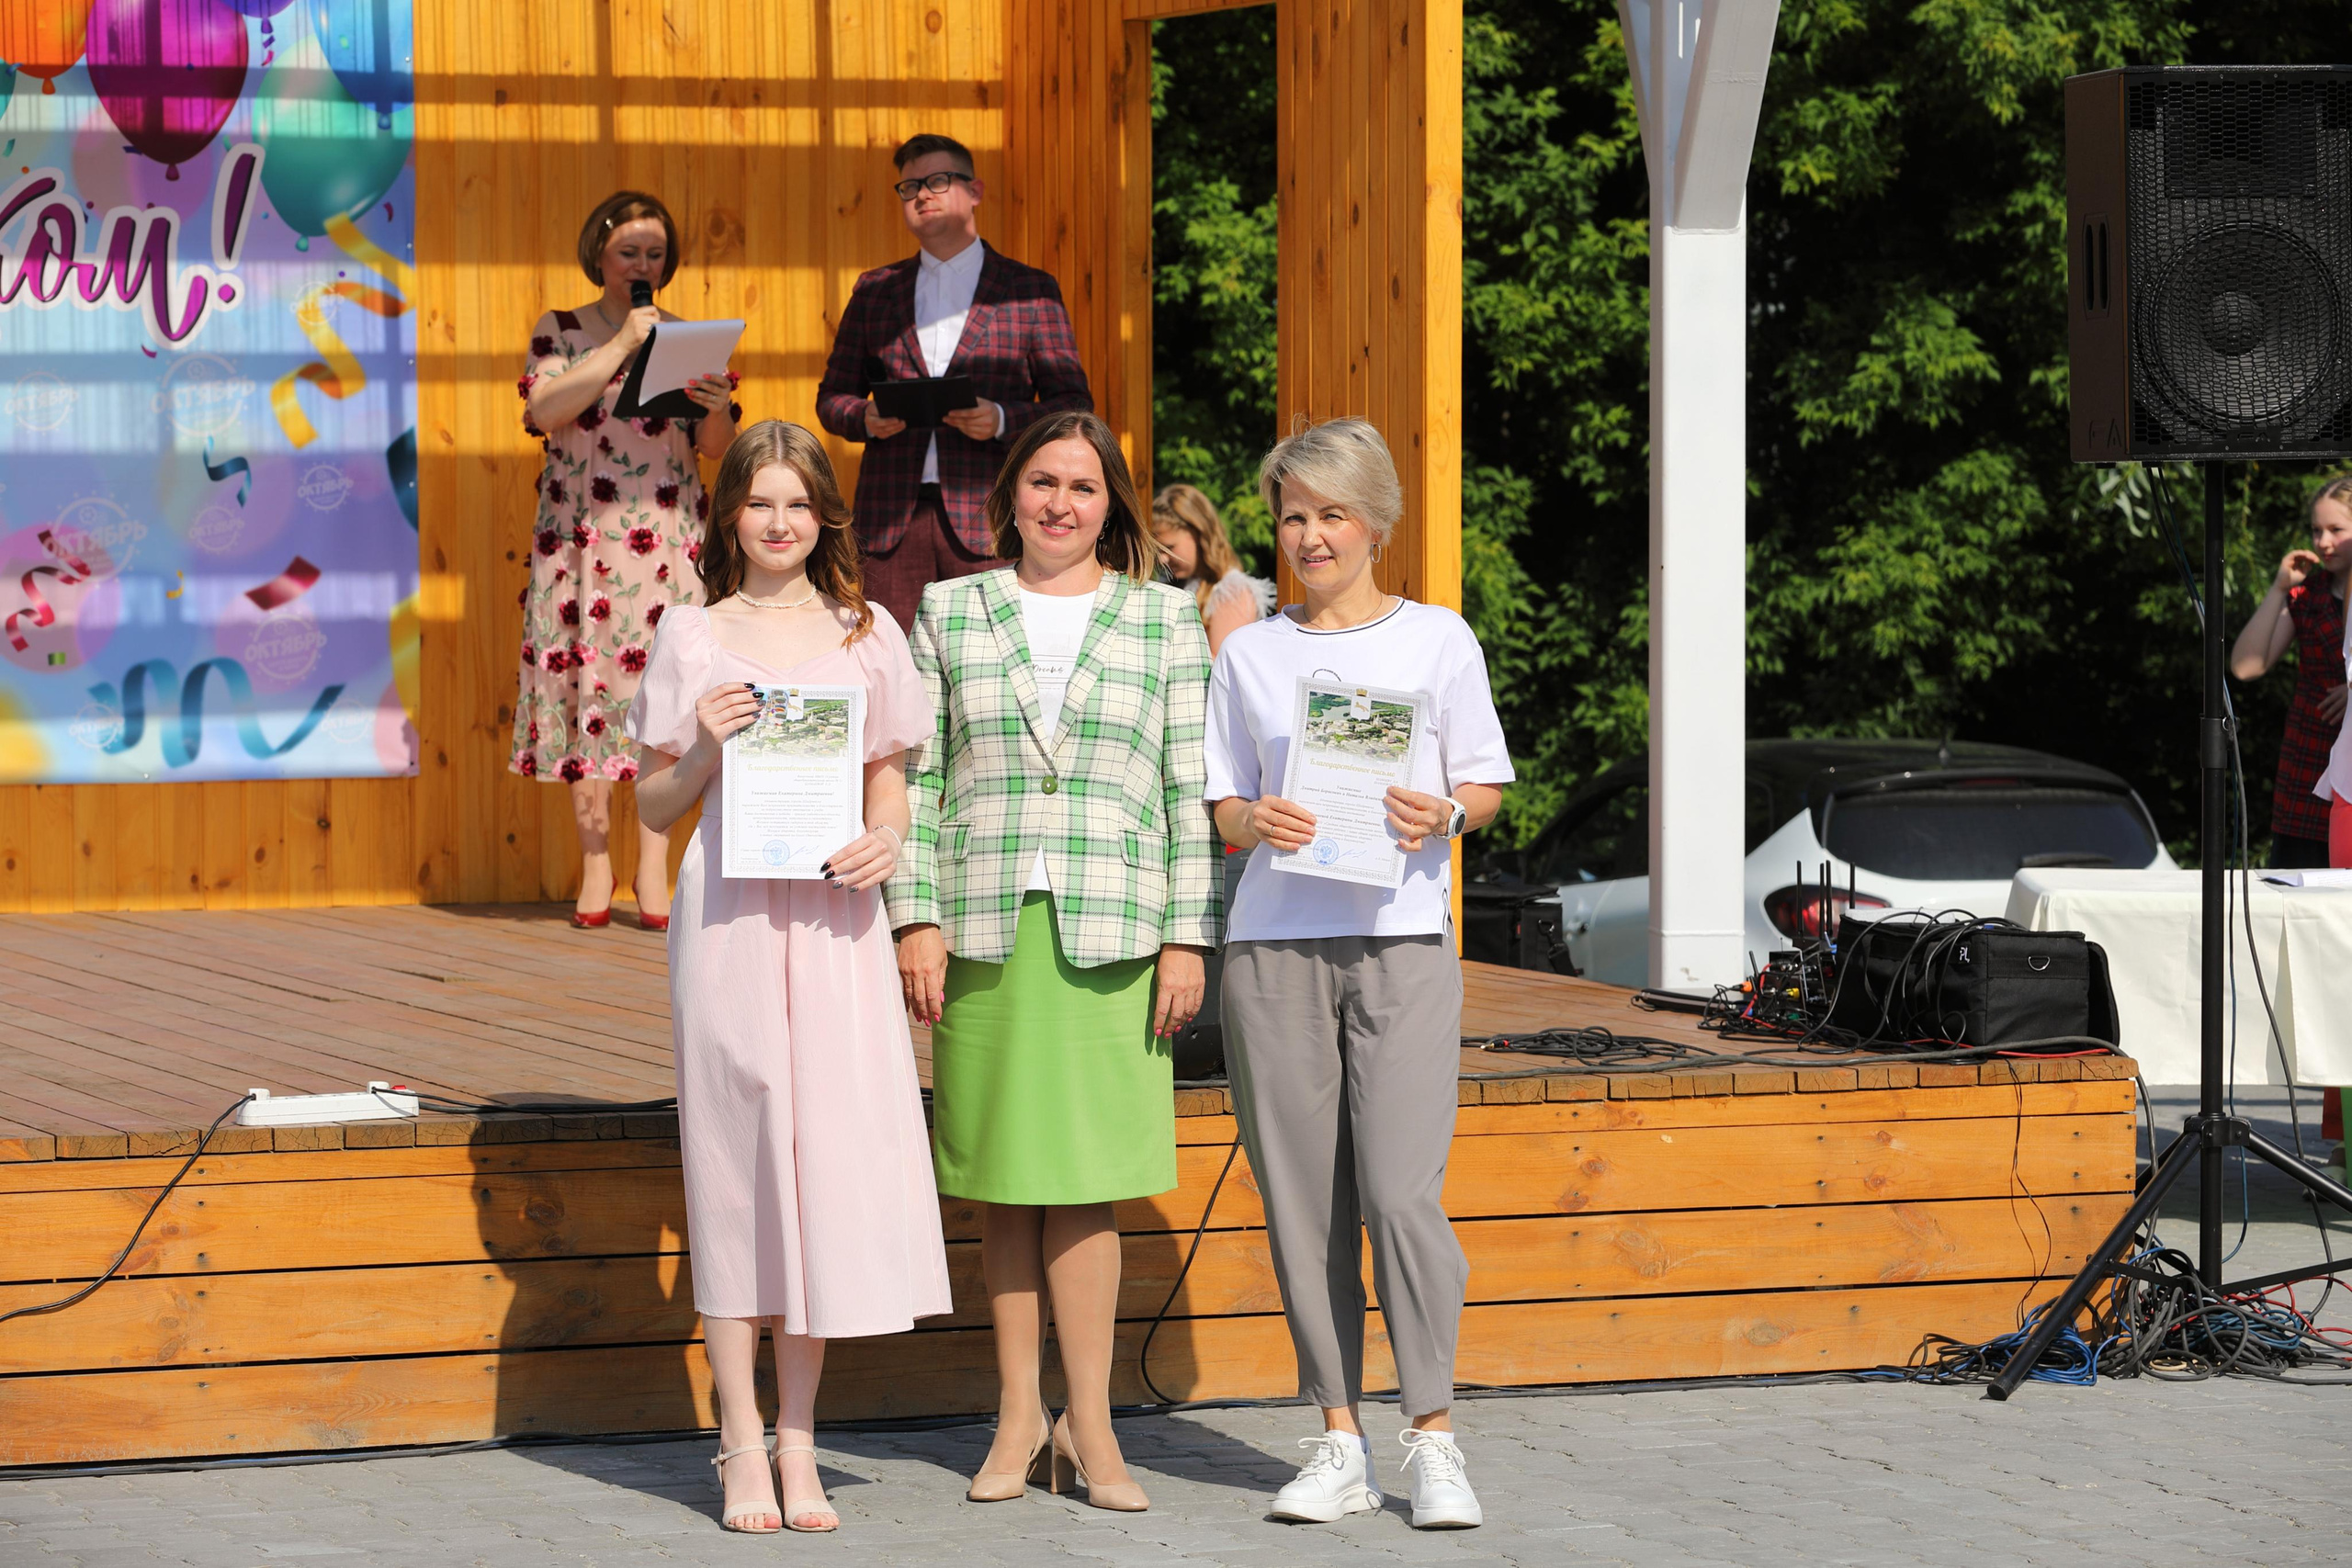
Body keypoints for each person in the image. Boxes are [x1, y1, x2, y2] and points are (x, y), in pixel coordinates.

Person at [888, 411, 1219, 1514]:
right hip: (981, 925)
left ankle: (1095, 1426)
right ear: (1009, 496)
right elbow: (918, 782)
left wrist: (1188, 936)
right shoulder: (949, 608)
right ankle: (1018, 1416)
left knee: (1085, 1186)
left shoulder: (1169, 622)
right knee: (1003, 1184)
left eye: (1082, 486)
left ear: (1111, 503)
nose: (1060, 504)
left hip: (1117, 932)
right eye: (1041, 481)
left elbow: (1185, 793)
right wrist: (912, 918)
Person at [627, 421, 951, 1534]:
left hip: (832, 922)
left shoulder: (869, 636)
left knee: (817, 1166)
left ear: (825, 517)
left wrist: (886, 841)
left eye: (797, 504)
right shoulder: (691, 634)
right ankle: (737, 1443)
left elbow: (893, 782)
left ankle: (801, 1438)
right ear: (729, 516)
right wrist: (709, 748)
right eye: (759, 503)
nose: (778, 523)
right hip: (729, 920)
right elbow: (655, 807)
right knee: (733, 1170)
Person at [1204, 418, 1513, 1532]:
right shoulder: (1247, 653)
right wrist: (1251, 817)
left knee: (1398, 1193)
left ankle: (1431, 1434)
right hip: (1275, 946)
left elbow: (1480, 786)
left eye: (1331, 512)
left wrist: (1444, 810)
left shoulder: (1437, 640)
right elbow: (1222, 802)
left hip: (1402, 939)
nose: (1309, 534)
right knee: (1302, 1207)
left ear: (1375, 519)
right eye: (1292, 514)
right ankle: (1338, 1436)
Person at [516, 189, 740, 931]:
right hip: (581, 543)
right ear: (600, 256)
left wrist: (713, 404)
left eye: (654, 254)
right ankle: (594, 861)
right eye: (628, 253)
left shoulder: (688, 336)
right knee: (587, 694)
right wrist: (619, 348)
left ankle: (653, 861)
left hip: (667, 540)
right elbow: (545, 411)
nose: (643, 265)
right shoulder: (564, 329)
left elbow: (713, 449)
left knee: (664, 700)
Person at [816, 132, 1092, 635]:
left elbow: (1072, 404)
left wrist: (1003, 419)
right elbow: (832, 399)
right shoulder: (875, 290)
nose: (922, 194)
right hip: (889, 521)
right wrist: (865, 418)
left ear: (976, 191)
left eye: (939, 180)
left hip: (989, 516)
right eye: (910, 186)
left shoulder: (1028, 290)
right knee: (886, 660)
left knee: (992, 665)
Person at [2232, 475, 2352, 869]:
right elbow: (2246, 666)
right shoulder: (2307, 595)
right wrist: (2280, 588)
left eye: (2336, 529)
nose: (2323, 542)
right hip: (2308, 764)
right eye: (2316, 530)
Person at [1152, 482, 1273, 657]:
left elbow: (1220, 667)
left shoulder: (1231, 592)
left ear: (1200, 534)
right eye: (1158, 550)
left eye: (1169, 547)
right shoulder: (1175, 585)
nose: (1162, 558)